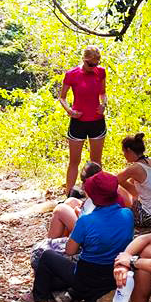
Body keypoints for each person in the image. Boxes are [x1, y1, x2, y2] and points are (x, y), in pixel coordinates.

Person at [23, 172, 134, 302]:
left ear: (93, 197)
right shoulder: (127, 214)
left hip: (86, 279)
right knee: (55, 277)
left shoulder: (86, 221)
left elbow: (70, 250)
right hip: (112, 276)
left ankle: (39, 298)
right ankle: (68, 292)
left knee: (47, 256)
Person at [59, 46, 107, 197]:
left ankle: (98, 195)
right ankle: (69, 196)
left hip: (96, 122)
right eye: (90, 64)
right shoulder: (72, 74)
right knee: (74, 161)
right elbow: (62, 97)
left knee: (96, 161)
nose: (94, 67)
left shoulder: (100, 71)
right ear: (84, 60)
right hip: (78, 122)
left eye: (96, 63)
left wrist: (103, 104)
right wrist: (70, 111)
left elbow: (103, 93)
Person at [116, 133, 151, 228]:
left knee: (117, 187)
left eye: (124, 152)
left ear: (128, 150)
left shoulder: (135, 168)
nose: (124, 155)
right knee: (129, 183)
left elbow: (112, 181)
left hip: (148, 218)